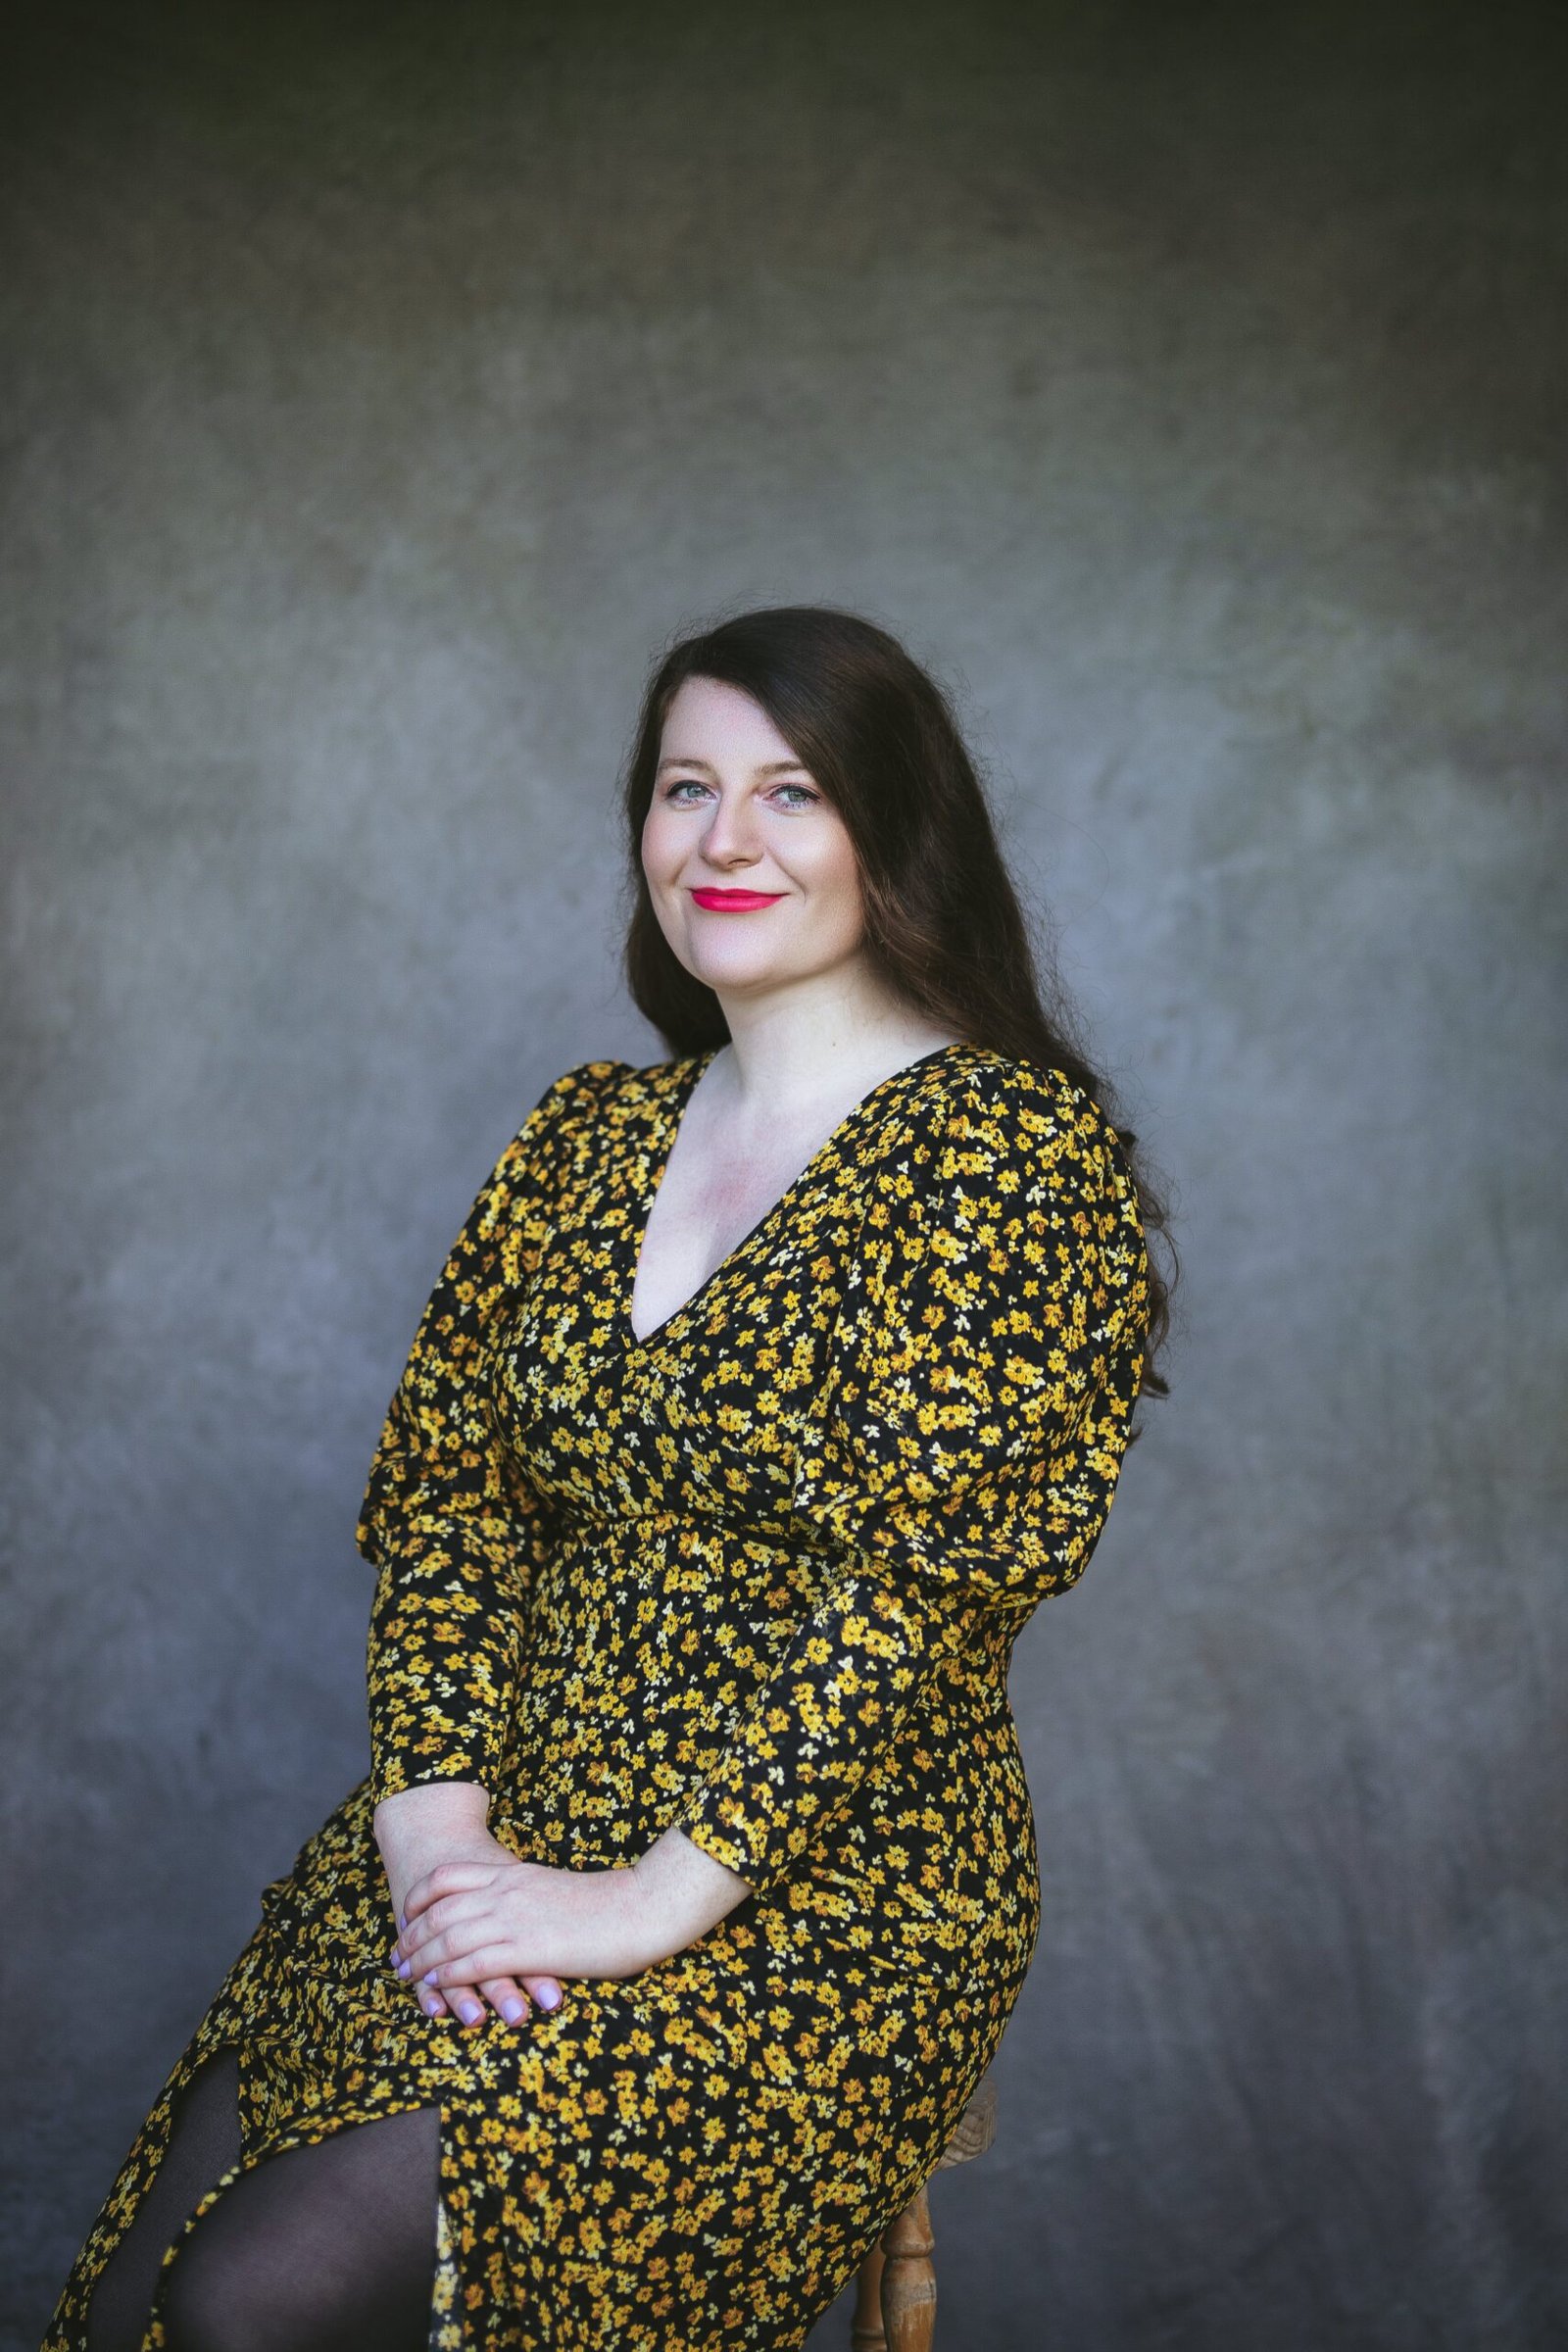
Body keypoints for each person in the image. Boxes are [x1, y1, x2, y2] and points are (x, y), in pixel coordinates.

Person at [45, 604, 1173, 2352]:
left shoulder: (1010, 1156)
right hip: (502, 1819)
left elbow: (919, 1598)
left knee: (258, 2300)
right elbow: (450, 1509)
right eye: (683, 788)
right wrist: (440, 1839)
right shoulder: (583, 1140)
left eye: (792, 792)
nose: (723, 839)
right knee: (162, 2271)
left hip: (817, 1883)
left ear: (896, 828)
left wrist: (643, 1901)